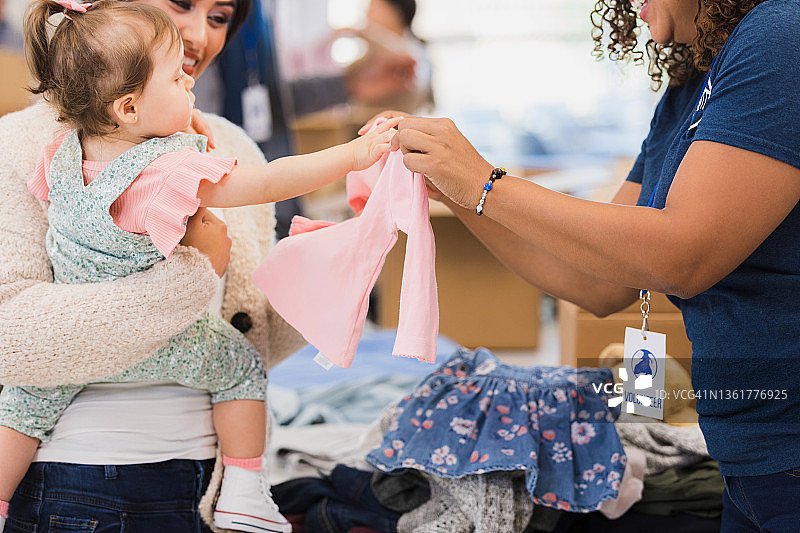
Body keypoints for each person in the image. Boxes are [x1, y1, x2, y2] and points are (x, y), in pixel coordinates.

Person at [370, 0, 800, 530]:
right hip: (752, 463)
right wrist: (454, 188)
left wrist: (482, 181)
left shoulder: (784, 34)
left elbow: (683, 255)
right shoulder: (694, 83)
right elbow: (598, 282)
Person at [0, 2, 397, 531]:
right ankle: (246, 489)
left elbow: (255, 326)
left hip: (199, 479)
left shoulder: (68, 155)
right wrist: (355, 155)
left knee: (22, 408)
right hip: (80, 480)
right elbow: (270, 184)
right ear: (128, 106)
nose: (197, 39)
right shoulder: (56, 149)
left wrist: (331, 274)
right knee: (238, 367)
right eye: (181, 5)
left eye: (219, 16)